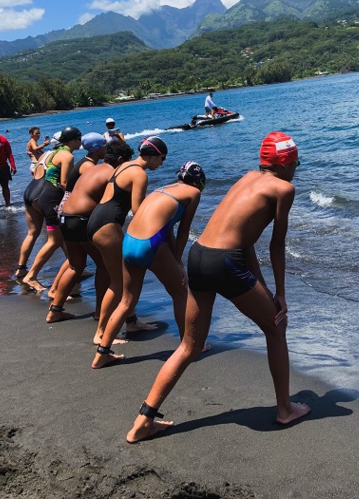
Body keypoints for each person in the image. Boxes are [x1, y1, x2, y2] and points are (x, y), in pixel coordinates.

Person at [126, 132, 310, 443]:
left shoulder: (248, 178)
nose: (296, 168)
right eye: (296, 162)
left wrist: (263, 288)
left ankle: (143, 419)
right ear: (286, 163)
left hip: (200, 255)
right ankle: (284, 409)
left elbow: (245, 240)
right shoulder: (284, 188)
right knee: (276, 329)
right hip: (226, 263)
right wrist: (280, 296)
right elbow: (276, 246)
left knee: (189, 345)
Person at [92, 161, 206, 368]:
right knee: (181, 292)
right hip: (150, 243)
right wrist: (178, 261)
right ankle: (188, 345)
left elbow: (166, 226)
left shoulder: (162, 189)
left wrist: (174, 258)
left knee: (126, 300)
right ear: (199, 182)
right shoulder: (193, 193)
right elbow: (183, 231)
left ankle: (102, 352)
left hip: (129, 242)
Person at [43, 139, 134, 323]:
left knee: (75, 266)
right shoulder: (112, 174)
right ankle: (100, 313)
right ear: (121, 160)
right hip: (82, 220)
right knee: (104, 267)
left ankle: (55, 311)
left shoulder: (92, 168)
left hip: (66, 217)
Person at [88, 136, 167, 345]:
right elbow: (137, 211)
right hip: (107, 225)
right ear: (151, 156)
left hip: (97, 220)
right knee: (119, 283)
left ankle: (131, 322)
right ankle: (101, 333)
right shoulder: (139, 173)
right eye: (162, 158)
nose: (162, 164)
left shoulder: (124, 166)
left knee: (121, 280)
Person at [46, 132, 111, 300]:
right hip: (76, 212)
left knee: (75, 263)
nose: (106, 148)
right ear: (97, 148)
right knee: (100, 264)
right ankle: (100, 306)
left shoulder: (86, 162)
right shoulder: (89, 166)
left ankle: (55, 297)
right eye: (104, 145)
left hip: (67, 211)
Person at [21, 126, 83, 293]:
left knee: (59, 238)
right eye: (79, 139)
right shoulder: (67, 156)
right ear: (73, 140)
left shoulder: (53, 153)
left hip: (44, 197)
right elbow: (64, 183)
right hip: (52, 200)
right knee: (54, 240)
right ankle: (31, 276)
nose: (81, 142)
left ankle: (73, 267)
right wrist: (73, 200)